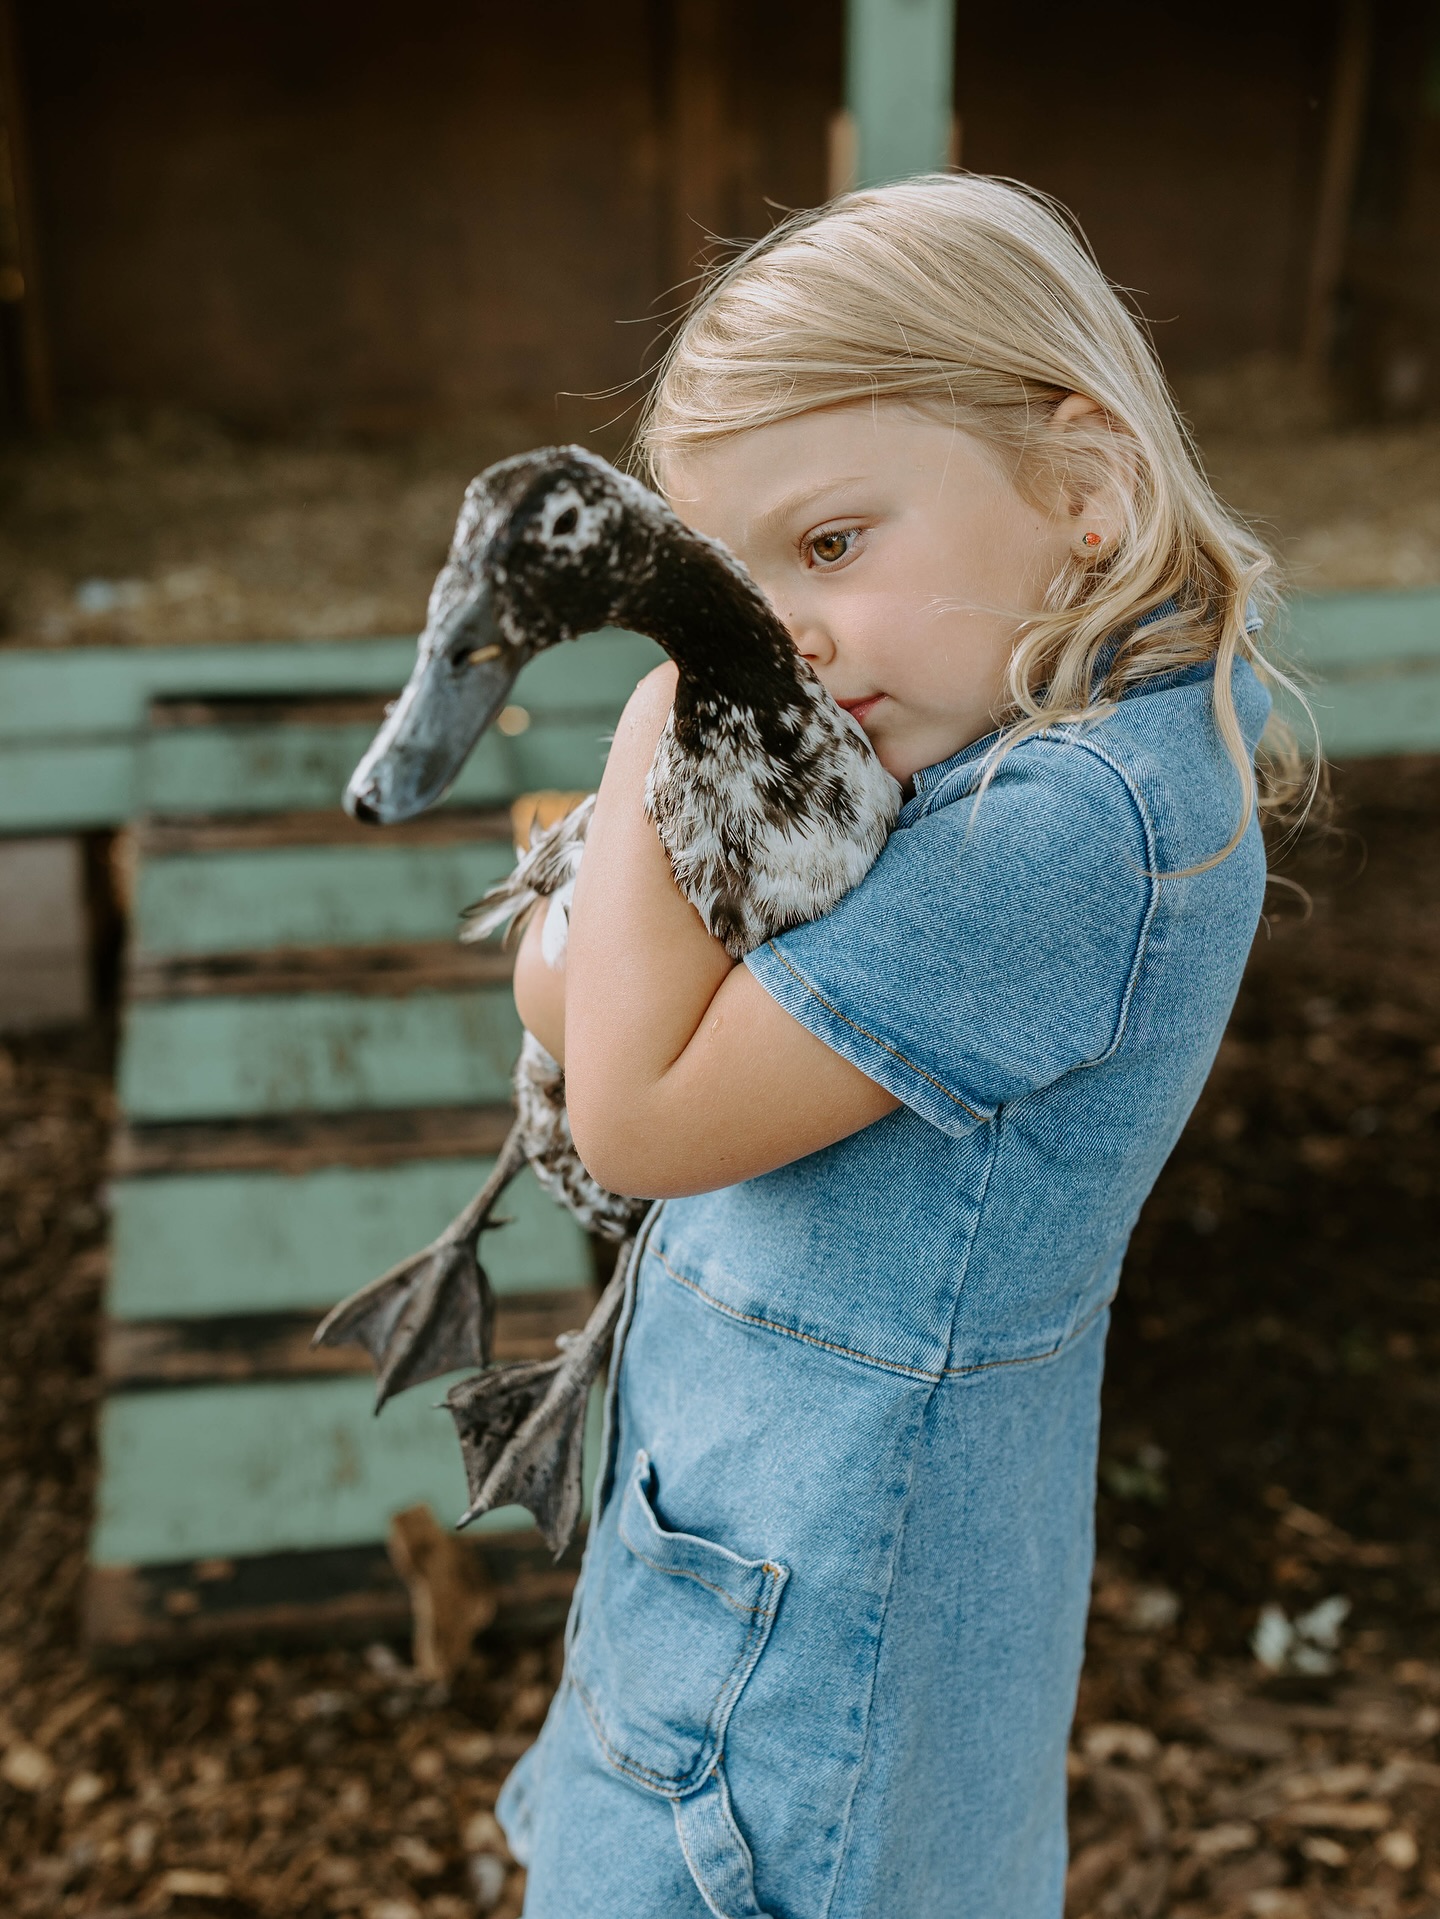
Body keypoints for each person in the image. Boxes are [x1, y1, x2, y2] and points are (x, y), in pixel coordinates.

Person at [496, 173, 1309, 1919]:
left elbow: (623, 1101)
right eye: (726, 585)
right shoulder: (986, 727)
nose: (769, 636)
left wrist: (656, 722)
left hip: (806, 1658)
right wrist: (598, 957)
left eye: (833, 543)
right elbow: (573, 1007)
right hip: (761, 1546)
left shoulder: (1067, 828)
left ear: (1085, 492)